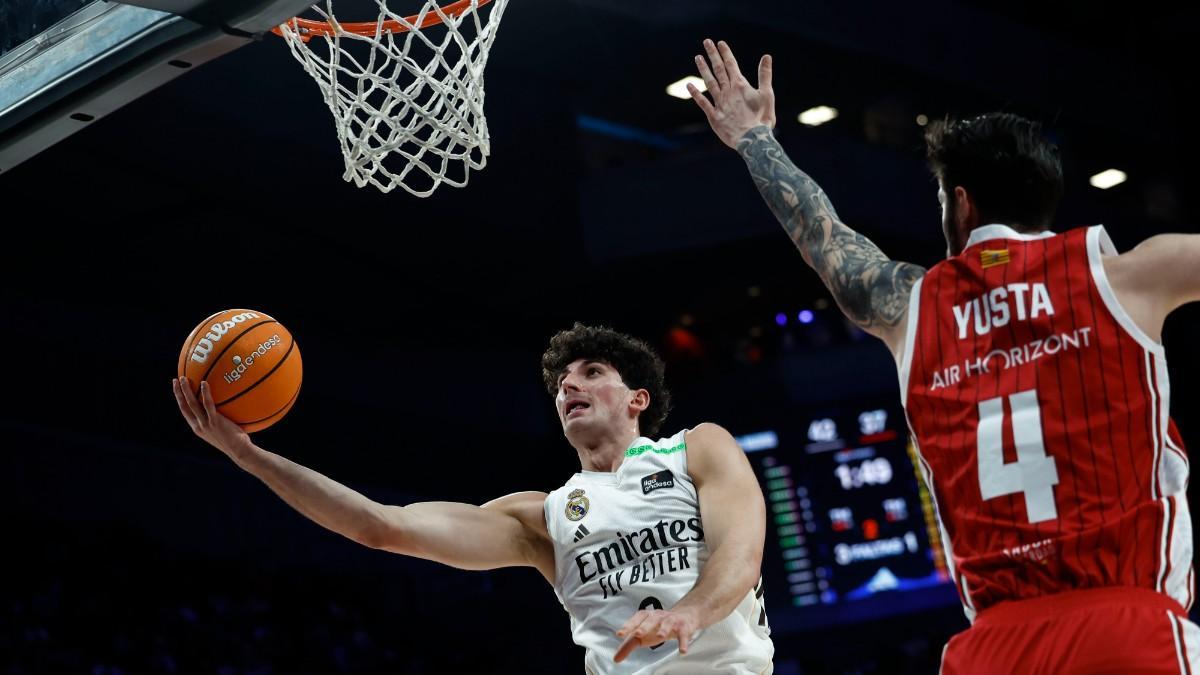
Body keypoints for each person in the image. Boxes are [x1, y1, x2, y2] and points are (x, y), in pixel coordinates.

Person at [689, 38, 1200, 673]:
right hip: (1129, 628)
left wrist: (755, 138)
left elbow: (824, 237)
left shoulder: (911, 307)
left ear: (960, 203)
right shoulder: (1128, 278)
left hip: (991, 649)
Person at [172, 322, 774, 674]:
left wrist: (686, 613)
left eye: (591, 372)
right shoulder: (540, 517)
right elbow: (379, 526)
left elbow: (740, 559)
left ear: (638, 399)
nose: (569, 384)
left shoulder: (696, 450)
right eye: (563, 382)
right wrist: (250, 457)